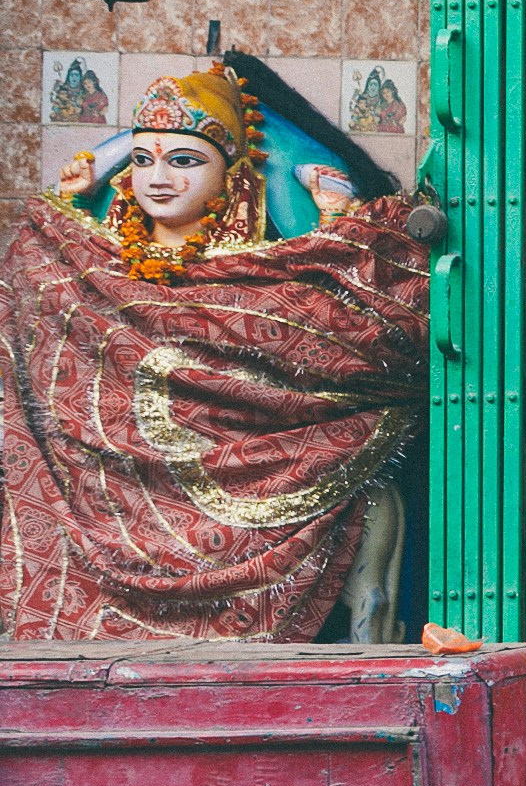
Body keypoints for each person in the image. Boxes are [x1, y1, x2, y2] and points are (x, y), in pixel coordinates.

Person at [4, 63, 429, 639]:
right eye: (143, 160)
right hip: (114, 476)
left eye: (184, 161)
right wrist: (70, 199)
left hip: (247, 455)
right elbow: (40, 303)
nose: (158, 178)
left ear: (230, 174)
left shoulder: (268, 260)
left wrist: (335, 218)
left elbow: (333, 308)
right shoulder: (88, 254)